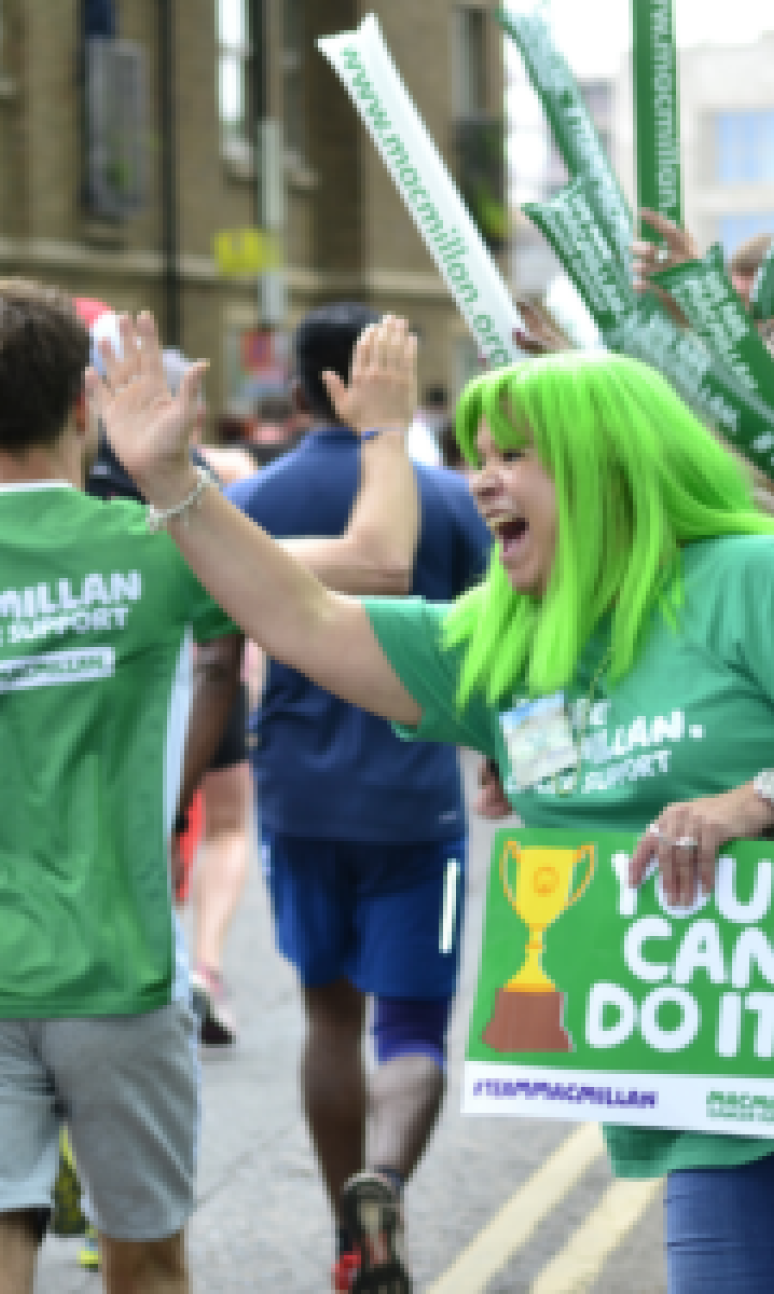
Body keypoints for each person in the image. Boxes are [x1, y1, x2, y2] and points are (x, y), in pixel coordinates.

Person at [99, 308, 774, 1293]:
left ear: (605, 467)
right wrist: (171, 482)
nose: (481, 480)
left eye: (515, 457)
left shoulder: (740, 575)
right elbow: (302, 613)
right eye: (476, 457)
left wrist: (752, 799)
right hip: (711, 1098)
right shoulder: (499, 643)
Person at [224, 302, 490, 1293]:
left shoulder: (246, 498)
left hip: (298, 794)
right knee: (413, 1028)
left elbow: (217, 661)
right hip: (416, 799)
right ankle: (384, 1187)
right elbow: (493, 649)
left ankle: (348, 1234)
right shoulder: (452, 500)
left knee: (328, 1019)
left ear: (297, 390)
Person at [0, 279, 242, 1294]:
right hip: (123, 966)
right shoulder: (161, 547)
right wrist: (381, 434)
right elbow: (374, 560)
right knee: (146, 1261)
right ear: (81, 405)